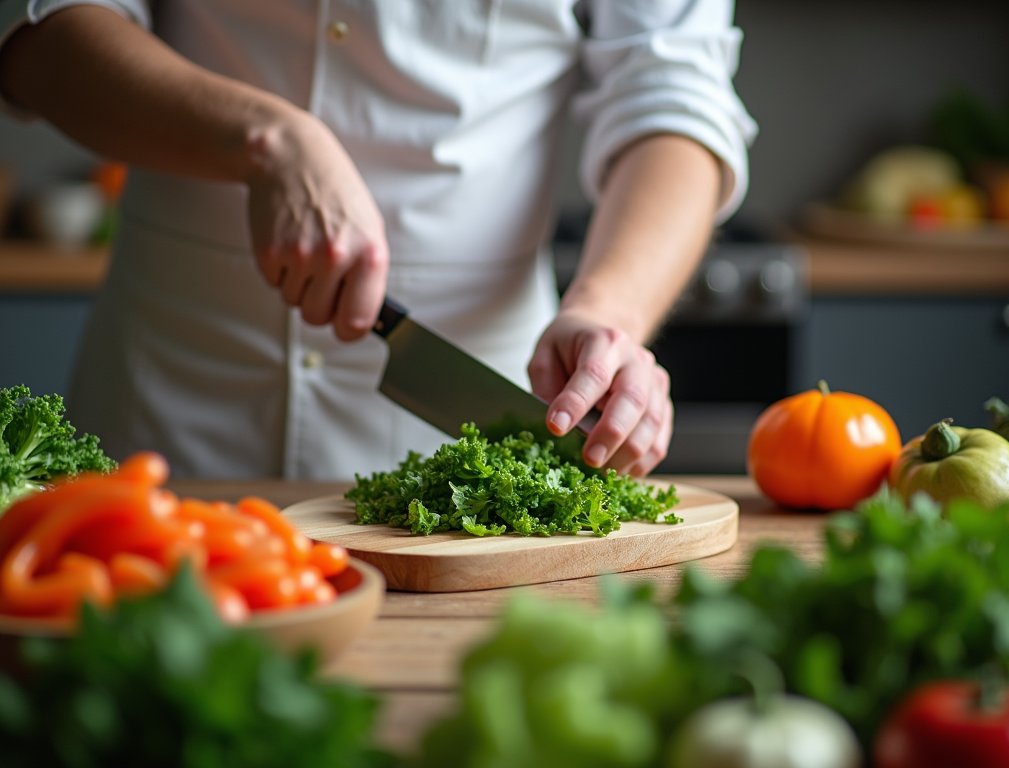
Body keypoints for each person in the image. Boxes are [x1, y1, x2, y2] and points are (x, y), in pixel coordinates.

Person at [0, 0, 756, 480]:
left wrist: (609, 307)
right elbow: (45, 37)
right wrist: (264, 140)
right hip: (167, 413)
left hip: (469, 437)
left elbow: (674, 95)